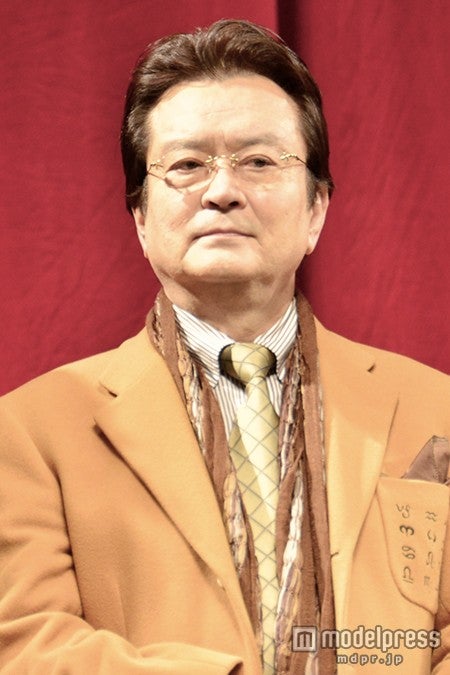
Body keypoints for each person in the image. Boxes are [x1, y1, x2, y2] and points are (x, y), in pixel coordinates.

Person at [0, 18, 449, 675]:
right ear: (141, 218)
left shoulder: (435, 407)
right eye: (187, 165)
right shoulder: (28, 432)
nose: (221, 191)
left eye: (258, 161)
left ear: (317, 209)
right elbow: (25, 642)